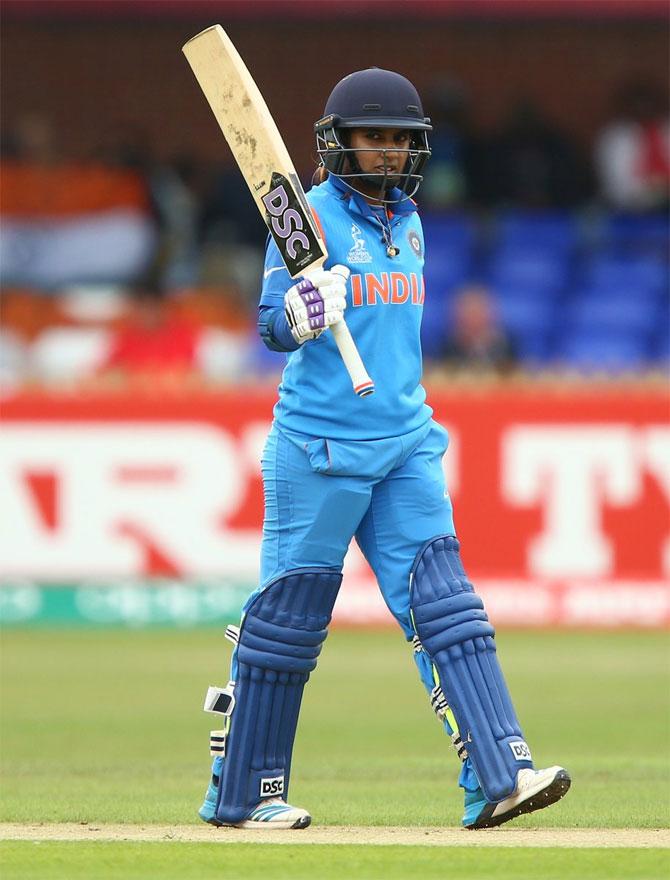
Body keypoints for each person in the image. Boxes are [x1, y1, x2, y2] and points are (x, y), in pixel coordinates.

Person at [198, 68, 570, 831]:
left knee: (449, 607)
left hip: (405, 445)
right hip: (319, 449)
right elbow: (269, 324)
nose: (391, 152)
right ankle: (242, 796)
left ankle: (500, 775)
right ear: (338, 144)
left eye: (403, 140)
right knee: (289, 623)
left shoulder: (411, 223)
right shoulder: (307, 219)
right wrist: (302, 310)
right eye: (375, 138)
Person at [440, 283, 517, 375]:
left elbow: (513, 375)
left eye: (478, 311)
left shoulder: (506, 344)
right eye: (469, 312)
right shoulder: (448, 345)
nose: (474, 317)